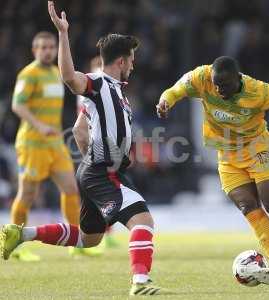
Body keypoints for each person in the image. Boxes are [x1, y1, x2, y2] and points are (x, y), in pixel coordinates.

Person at [1, 2, 164, 296]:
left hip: (95, 170)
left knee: (89, 240)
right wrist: (63, 34)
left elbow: (78, 129)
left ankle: (21, 233)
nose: (133, 65)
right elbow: (69, 78)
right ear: (121, 61)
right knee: (143, 220)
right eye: (131, 60)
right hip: (103, 172)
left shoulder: (115, 93)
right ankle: (140, 282)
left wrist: (93, 158)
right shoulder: (100, 83)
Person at [157, 56, 269, 288]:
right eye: (216, 84)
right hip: (226, 155)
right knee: (249, 207)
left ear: (238, 80)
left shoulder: (257, 91)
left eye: (224, 85)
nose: (218, 89)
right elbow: (174, 91)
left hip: (258, 148)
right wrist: (166, 102)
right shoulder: (202, 77)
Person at [9, 29, 98, 261]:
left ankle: (76, 242)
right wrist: (39, 126)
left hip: (55, 143)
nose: (48, 52)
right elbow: (18, 106)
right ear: (34, 50)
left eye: (51, 48)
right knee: (28, 194)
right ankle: (15, 242)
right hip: (32, 143)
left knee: (70, 188)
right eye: (43, 48)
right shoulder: (28, 74)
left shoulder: (56, 73)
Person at [77, 55, 119, 249]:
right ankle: (92, 234)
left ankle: (101, 234)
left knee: (101, 196)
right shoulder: (90, 91)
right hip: (96, 150)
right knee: (102, 195)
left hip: (105, 150)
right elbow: (81, 127)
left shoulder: (108, 89)